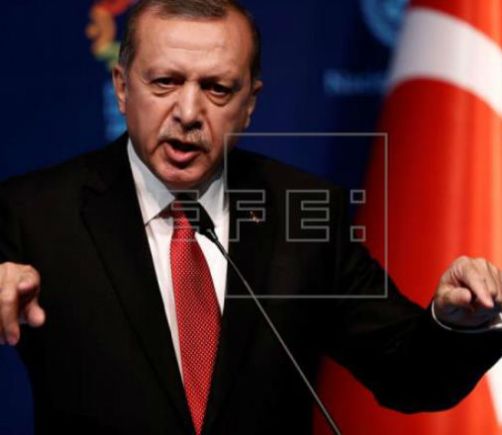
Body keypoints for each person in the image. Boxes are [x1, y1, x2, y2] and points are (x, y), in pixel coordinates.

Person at [1, 1, 502, 434]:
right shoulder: (35, 213)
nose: (188, 112)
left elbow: (409, 375)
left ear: (249, 105)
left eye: (217, 88)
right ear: (121, 87)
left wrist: (456, 325)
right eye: (165, 82)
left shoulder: (303, 211)